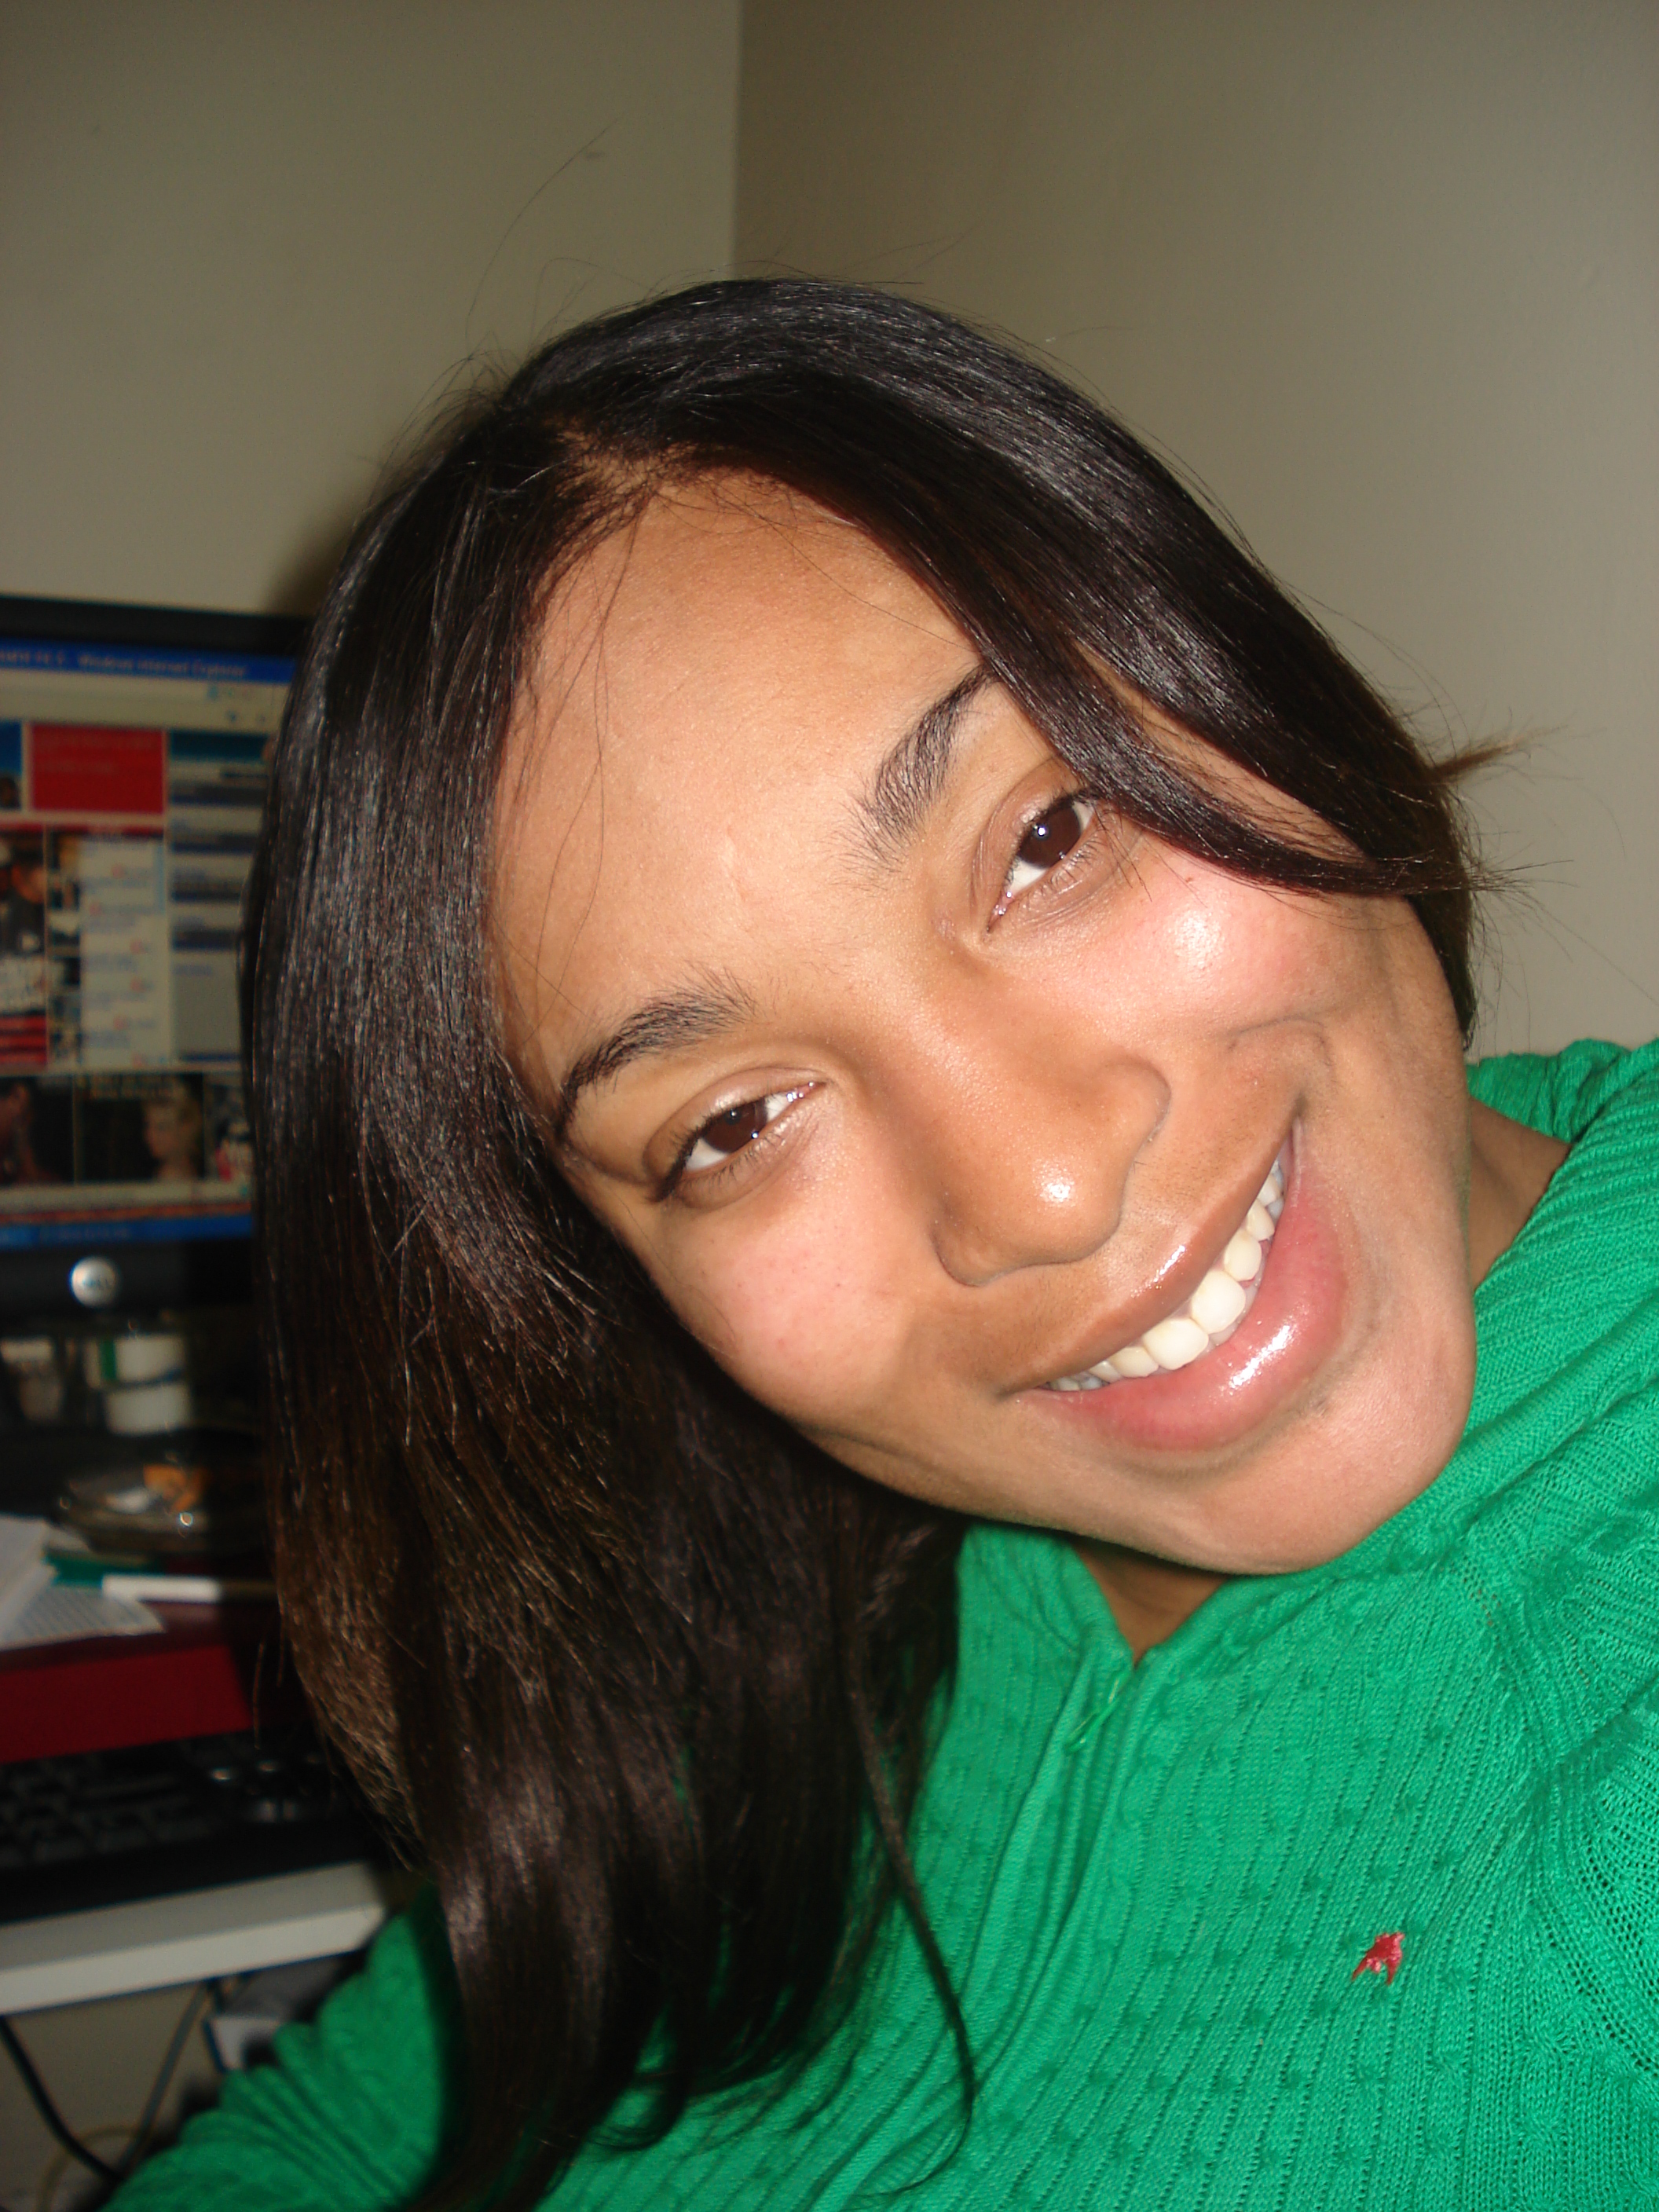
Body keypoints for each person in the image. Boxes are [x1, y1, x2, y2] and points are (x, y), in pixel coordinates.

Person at [114, 283, 1657, 2210]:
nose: (1043, 1192)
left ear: (1241, 675)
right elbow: (337, 2138)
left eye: (1047, 835)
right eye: (731, 1126)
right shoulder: (778, 1610)